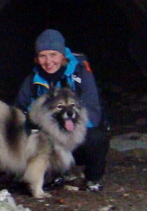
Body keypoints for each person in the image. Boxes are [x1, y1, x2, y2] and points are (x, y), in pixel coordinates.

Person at [15, 29, 110, 191]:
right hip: (48, 136)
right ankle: (54, 173)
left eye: (53, 54)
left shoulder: (80, 73)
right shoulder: (33, 79)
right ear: (37, 58)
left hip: (76, 133)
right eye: (42, 56)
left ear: (62, 56)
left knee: (97, 138)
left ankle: (93, 179)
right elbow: (19, 109)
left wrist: (70, 133)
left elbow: (92, 109)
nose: (48, 61)